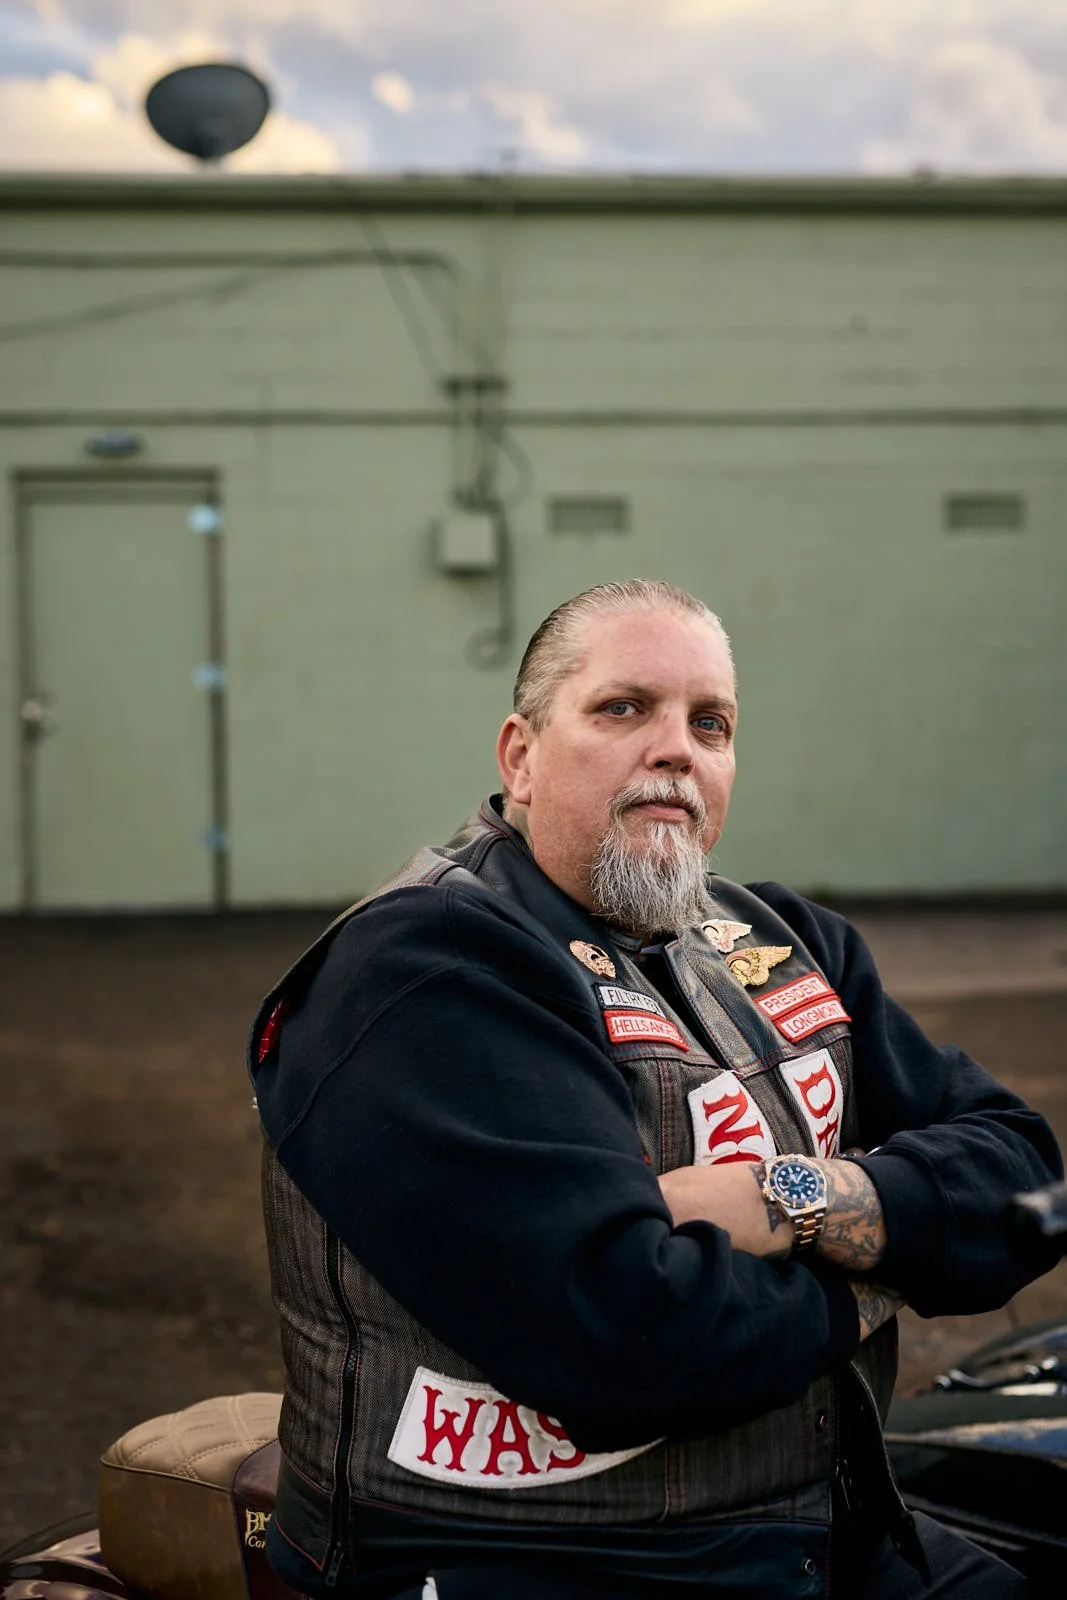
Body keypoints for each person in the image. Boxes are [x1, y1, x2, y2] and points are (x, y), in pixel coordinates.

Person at [250, 579, 1061, 1600]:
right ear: (520, 756)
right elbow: (628, 1334)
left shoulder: (783, 939)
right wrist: (906, 1250)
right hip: (538, 1564)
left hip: (821, 1530)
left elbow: (1026, 1187)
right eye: (622, 708)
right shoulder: (425, 965)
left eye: (709, 722)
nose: (675, 747)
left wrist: (786, 1202)